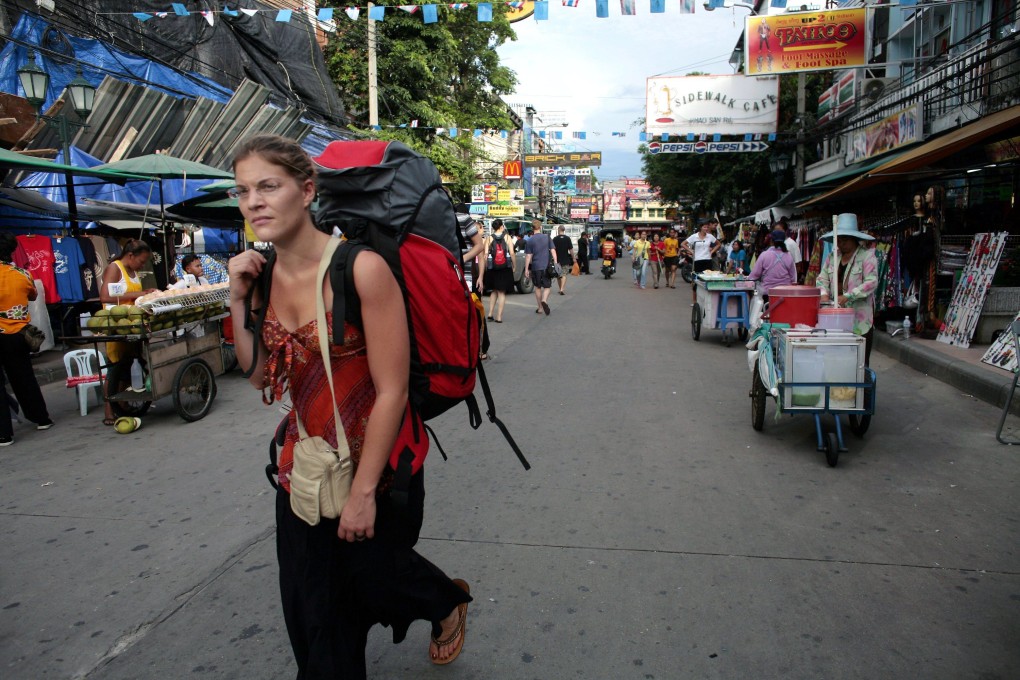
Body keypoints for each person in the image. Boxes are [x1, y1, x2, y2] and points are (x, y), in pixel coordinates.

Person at [226, 134, 471, 676]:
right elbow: (258, 374)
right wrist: (238, 299)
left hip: (376, 473)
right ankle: (434, 604)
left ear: (307, 190)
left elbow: (393, 390)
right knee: (315, 620)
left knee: (373, 584)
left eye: (269, 186)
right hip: (304, 470)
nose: (254, 202)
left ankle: (445, 604)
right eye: (243, 191)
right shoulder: (261, 274)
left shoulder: (360, 269)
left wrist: (362, 494)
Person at [0, 232, 53, 445]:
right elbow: (33, 295)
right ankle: (41, 418)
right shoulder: (22, 274)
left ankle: (4, 434)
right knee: (24, 378)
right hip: (18, 335)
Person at [99, 238, 158, 426]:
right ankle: (109, 411)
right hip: (117, 324)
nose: (142, 265)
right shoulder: (114, 268)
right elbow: (105, 297)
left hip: (132, 324)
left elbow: (130, 297)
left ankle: (122, 405)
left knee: (127, 366)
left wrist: (146, 293)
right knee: (114, 368)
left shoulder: (133, 271)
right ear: (130, 255)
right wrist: (139, 294)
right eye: (141, 261)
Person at [816, 213, 879, 366]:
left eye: (845, 240)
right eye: (839, 240)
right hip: (835, 320)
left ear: (854, 239)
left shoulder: (867, 257)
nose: (841, 243)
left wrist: (849, 296)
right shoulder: (832, 257)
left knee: (860, 365)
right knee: (836, 362)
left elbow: (871, 282)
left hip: (860, 321)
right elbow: (821, 279)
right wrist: (824, 295)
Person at [479, 219, 515, 323]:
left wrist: (486, 268)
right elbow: (512, 253)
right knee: (501, 292)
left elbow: (485, 255)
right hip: (504, 267)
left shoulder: (489, 238)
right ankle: (499, 317)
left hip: (493, 268)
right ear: (501, 227)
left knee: (494, 290)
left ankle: (490, 314)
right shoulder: (507, 237)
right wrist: (514, 265)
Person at [682, 218, 720, 303]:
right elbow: (683, 244)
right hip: (697, 260)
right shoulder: (694, 236)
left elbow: (718, 244)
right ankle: (695, 301)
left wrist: (712, 251)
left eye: (707, 227)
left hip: (708, 260)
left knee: (707, 280)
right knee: (696, 280)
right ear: (700, 227)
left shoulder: (710, 236)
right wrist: (691, 251)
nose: (706, 229)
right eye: (704, 227)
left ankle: (706, 300)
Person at [748, 230, 796, 296]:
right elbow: (793, 278)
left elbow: (754, 275)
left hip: (768, 293)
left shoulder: (764, 255)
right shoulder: (789, 255)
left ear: (771, 241)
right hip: (786, 293)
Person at [524, 219, 556, 315]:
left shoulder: (530, 240)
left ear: (532, 228)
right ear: (540, 227)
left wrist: (526, 269)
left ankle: (540, 308)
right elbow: (553, 250)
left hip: (536, 266)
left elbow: (528, 256)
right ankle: (544, 300)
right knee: (547, 286)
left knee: (537, 287)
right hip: (546, 266)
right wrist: (556, 262)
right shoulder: (547, 237)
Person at [552, 226, 574, 295]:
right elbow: (571, 249)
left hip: (557, 260)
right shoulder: (567, 238)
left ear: (558, 230)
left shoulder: (555, 239)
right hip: (565, 259)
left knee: (559, 275)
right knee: (564, 274)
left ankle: (560, 289)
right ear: (564, 230)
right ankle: (562, 289)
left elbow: (552, 249)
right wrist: (573, 257)